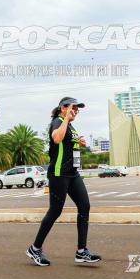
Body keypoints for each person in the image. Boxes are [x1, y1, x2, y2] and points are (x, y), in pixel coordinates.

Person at [26, 97, 101, 267]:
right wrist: (66, 118)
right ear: (63, 108)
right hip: (59, 174)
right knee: (55, 211)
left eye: (77, 110)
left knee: (85, 206)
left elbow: (66, 145)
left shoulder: (70, 125)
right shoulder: (57, 121)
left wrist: (78, 142)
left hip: (72, 174)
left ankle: (81, 251)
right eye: (73, 108)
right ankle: (35, 248)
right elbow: (57, 139)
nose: (76, 112)